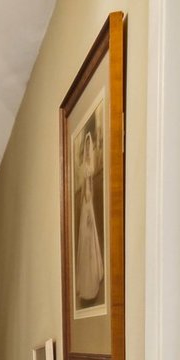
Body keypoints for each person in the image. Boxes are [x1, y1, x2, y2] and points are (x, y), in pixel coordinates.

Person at [74, 128, 104, 308]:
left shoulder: (90, 164)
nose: (87, 148)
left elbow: (90, 182)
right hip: (86, 199)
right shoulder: (84, 165)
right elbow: (85, 181)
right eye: (85, 146)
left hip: (88, 198)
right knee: (85, 238)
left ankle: (92, 278)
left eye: (88, 145)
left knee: (89, 235)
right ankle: (86, 281)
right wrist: (85, 198)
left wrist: (88, 196)